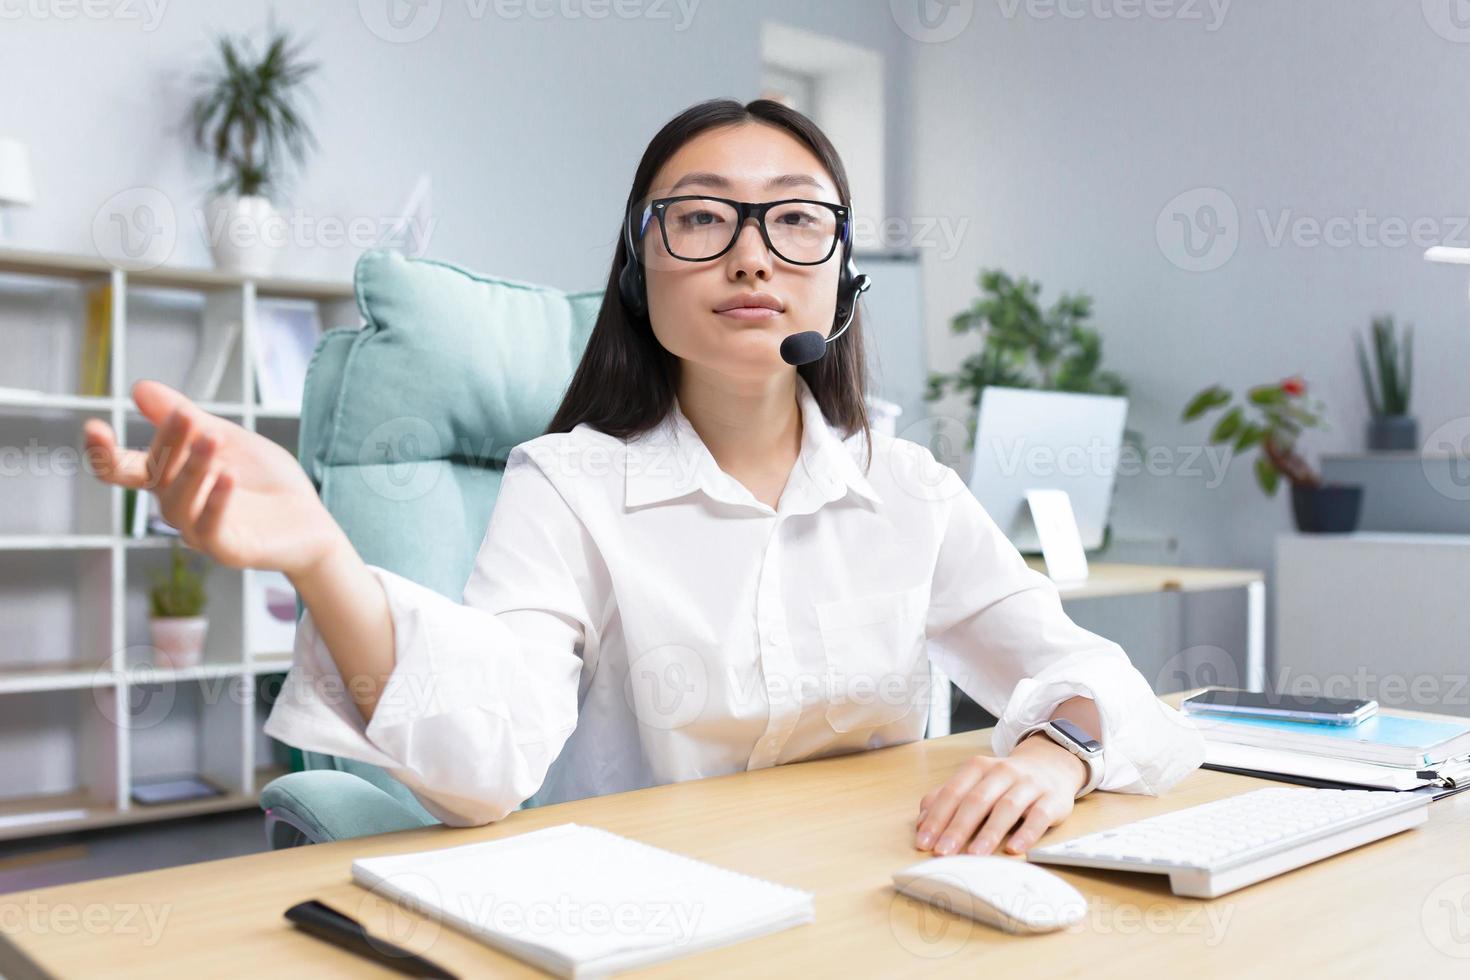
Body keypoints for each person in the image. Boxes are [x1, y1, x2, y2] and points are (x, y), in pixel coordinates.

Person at [84, 98, 1203, 857]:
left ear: (844, 279)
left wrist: (1062, 750)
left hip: (884, 898)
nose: (753, 252)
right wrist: (324, 556)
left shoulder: (905, 487)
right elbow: (487, 759)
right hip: (649, 921)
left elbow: (1093, 676)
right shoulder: (567, 485)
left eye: (797, 221)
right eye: (703, 217)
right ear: (638, 268)